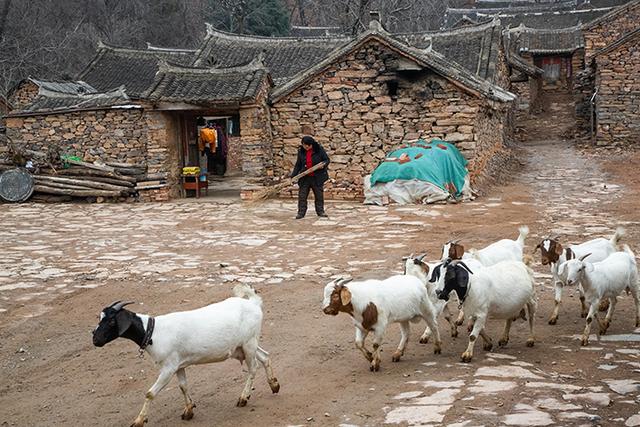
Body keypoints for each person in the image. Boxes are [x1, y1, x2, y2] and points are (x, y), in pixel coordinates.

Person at [291, 136, 330, 219]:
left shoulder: (319, 150)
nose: (305, 147)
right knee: (302, 196)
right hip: (305, 177)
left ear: (311, 144)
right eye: (304, 145)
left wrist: (322, 165)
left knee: (319, 195)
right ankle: (301, 213)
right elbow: (298, 164)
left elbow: (326, 160)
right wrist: (293, 176)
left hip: (317, 177)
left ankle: (320, 211)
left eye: (307, 146)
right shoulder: (301, 151)